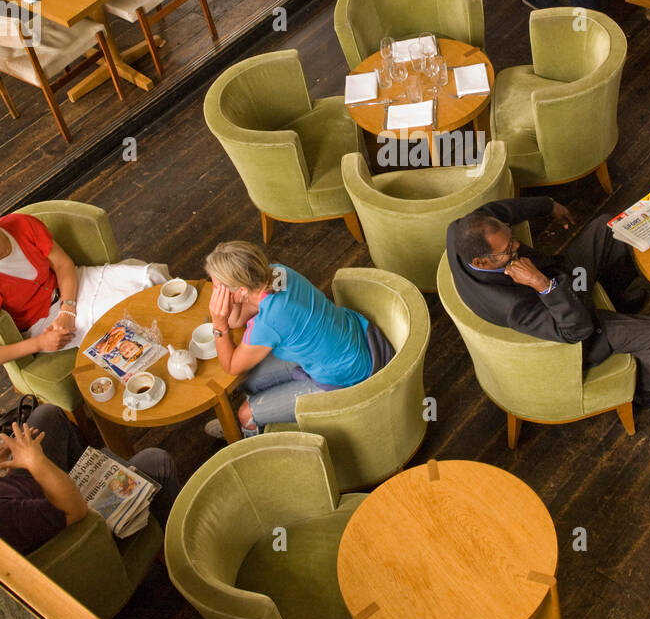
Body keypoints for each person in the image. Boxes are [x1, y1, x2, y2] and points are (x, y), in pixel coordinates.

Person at [447, 197, 650, 416]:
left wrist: (549, 205)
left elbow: (504, 209)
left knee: (609, 228)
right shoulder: (512, 306)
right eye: (508, 250)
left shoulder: (460, 228)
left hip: (559, 276)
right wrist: (542, 285)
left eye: (511, 236)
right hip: (573, 322)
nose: (517, 246)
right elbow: (575, 331)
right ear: (481, 262)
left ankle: (615, 299)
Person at [203, 241, 393, 435]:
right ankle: (265, 412)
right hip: (345, 340)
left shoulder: (270, 321)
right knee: (248, 380)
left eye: (218, 286)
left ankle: (249, 430)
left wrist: (218, 324)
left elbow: (231, 365)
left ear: (242, 290)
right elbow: (237, 320)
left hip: (344, 376)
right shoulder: (276, 273)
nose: (215, 290)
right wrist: (229, 303)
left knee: (246, 413)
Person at [0, 403, 178, 556]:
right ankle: (172, 544)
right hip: (68, 511)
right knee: (156, 462)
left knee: (48, 415)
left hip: (19, 492)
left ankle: (96, 467)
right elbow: (74, 510)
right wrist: (36, 461)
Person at [0, 211, 169, 368]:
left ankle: (187, 315)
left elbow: (63, 265)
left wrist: (68, 310)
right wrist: (40, 343)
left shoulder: (21, 223)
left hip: (70, 284)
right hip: (44, 324)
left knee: (148, 274)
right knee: (122, 318)